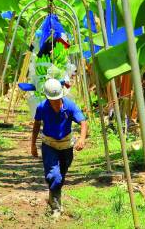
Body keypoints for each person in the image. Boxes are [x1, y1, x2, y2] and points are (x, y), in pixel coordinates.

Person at [31, 78, 88, 217]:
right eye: (53, 100)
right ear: (47, 98)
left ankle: (53, 198)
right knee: (54, 175)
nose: (56, 102)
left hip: (66, 145)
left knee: (61, 176)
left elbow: (83, 121)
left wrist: (81, 138)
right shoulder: (42, 107)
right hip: (49, 144)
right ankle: (56, 208)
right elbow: (37, 125)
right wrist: (32, 144)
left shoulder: (70, 106)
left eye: (58, 99)